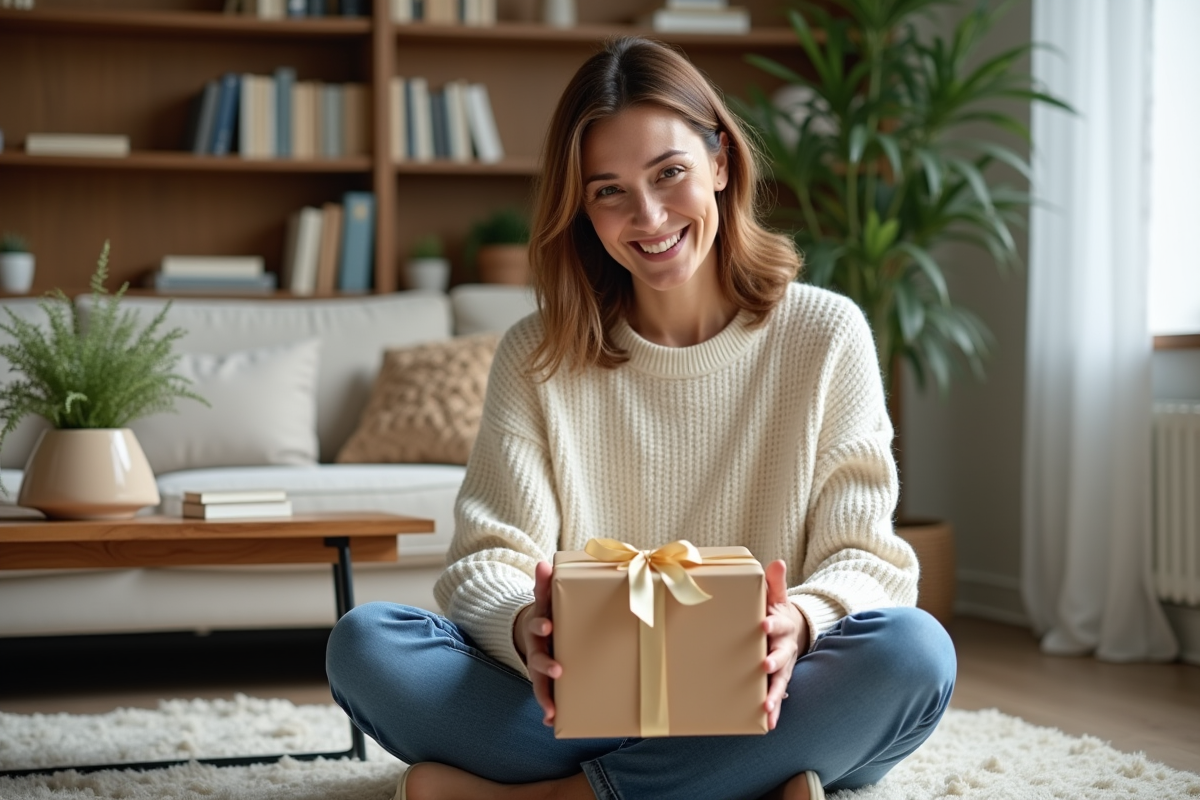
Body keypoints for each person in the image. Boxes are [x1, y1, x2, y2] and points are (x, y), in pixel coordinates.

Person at [326, 36, 956, 800]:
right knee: (367, 645)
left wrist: (805, 623)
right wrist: (531, 629)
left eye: (670, 174)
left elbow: (868, 558)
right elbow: (486, 559)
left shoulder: (825, 334)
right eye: (609, 191)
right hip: (580, 705)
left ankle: (567, 795)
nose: (649, 216)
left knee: (914, 655)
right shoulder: (538, 353)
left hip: (765, 697)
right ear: (581, 209)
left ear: (721, 163)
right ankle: (725, 785)